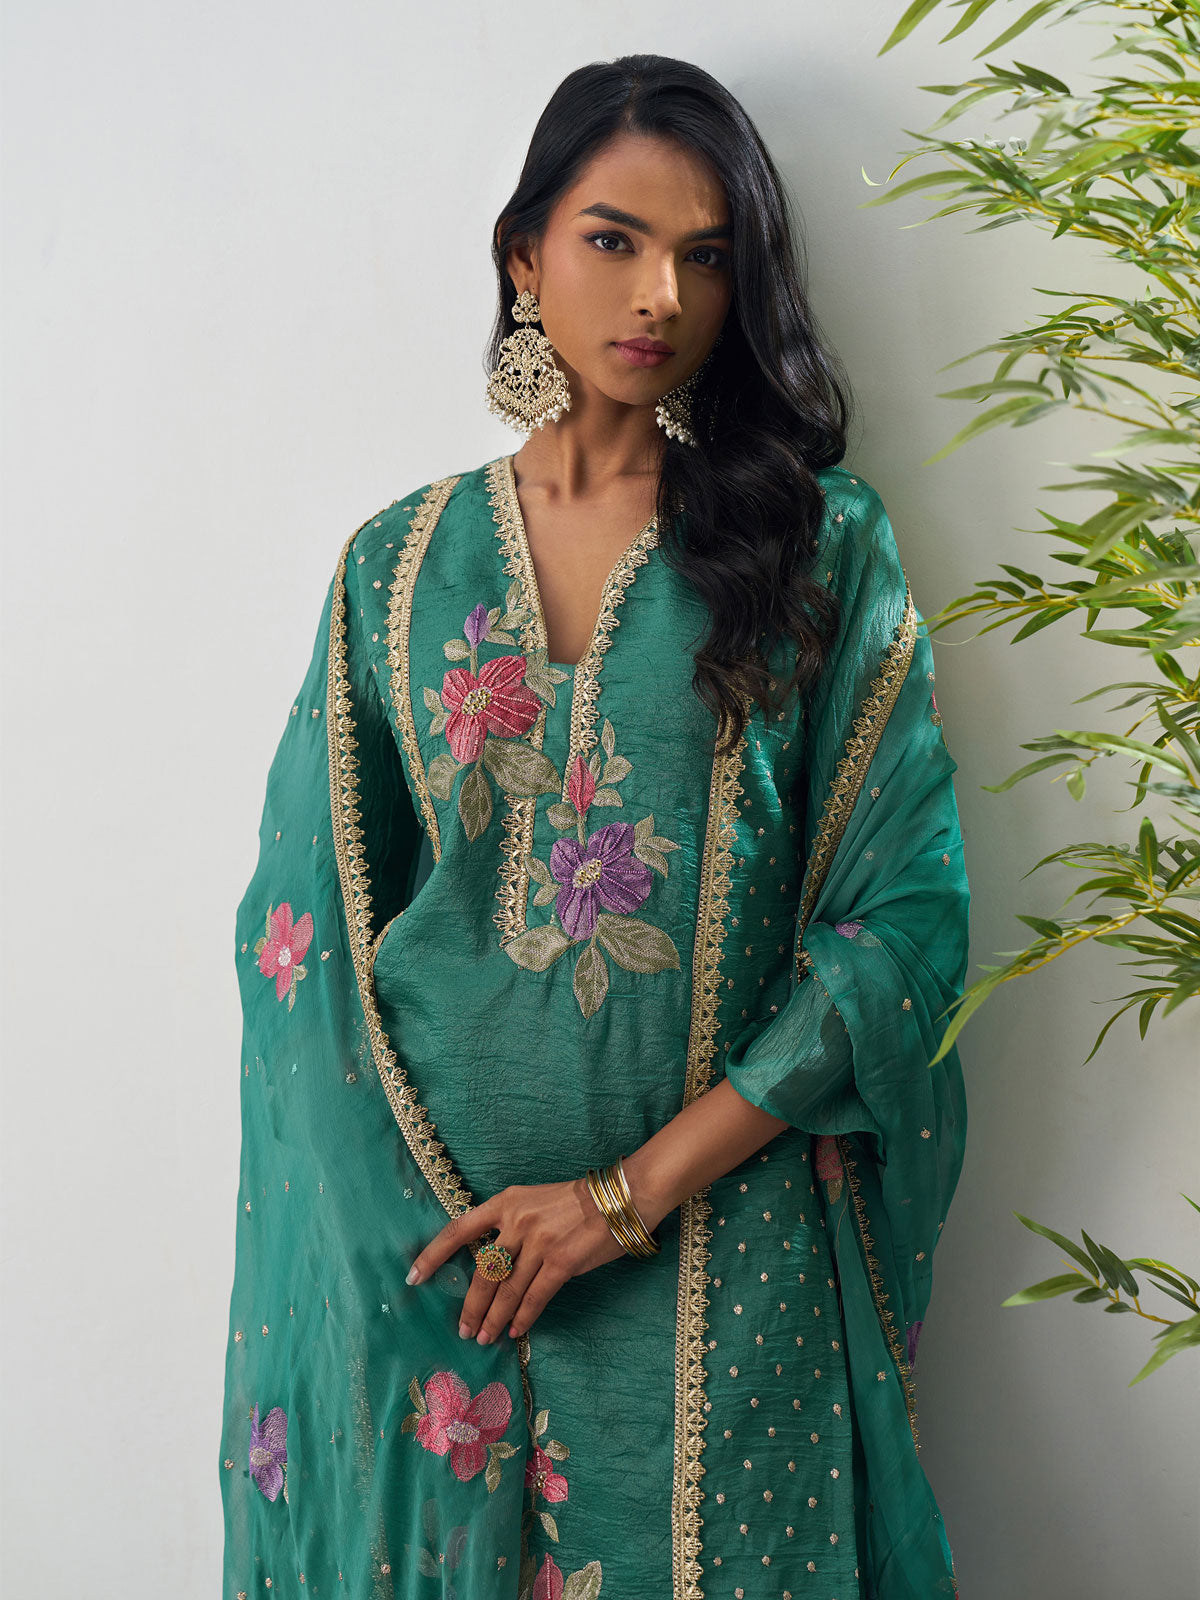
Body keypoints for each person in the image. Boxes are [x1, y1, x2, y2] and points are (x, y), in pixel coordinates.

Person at [219, 52, 970, 1600]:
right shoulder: (395, 569)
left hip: (729, 1262)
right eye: (614, 239)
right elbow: (306, 949)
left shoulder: (812, 548)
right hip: (445, 1279)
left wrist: (621, 1201)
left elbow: (900, 931)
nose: (660, 296)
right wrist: (416, 1227)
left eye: (708, 256)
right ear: (524, 256)